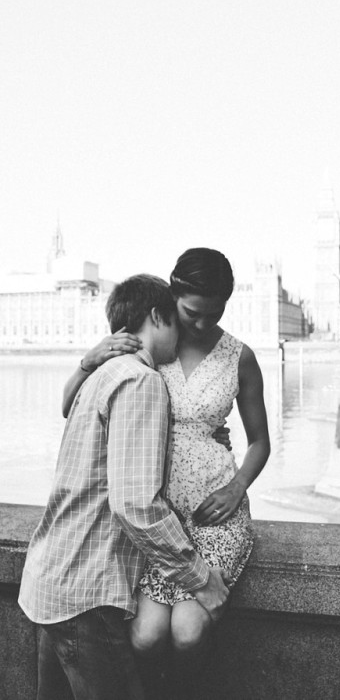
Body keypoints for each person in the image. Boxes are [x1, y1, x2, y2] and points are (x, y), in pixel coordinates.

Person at [63, 248, 271, 698]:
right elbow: (72, 406)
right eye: (191, 313)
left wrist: (237, 486)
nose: (200, 325)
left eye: (213, 314)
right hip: (160, 524)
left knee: (189, 632)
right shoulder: (148, 342)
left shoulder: (241, 356)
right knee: (145, 635)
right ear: (170, 297)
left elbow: (260, 441)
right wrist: (89, 357)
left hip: (217, 518)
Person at [19, 274, 230, 700]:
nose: (185, 336)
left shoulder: (101, 372)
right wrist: (202, 579)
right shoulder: (141, 380)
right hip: (88, 593)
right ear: (156, 316)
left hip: (51, 581)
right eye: (177, 321)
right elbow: (135, 504)